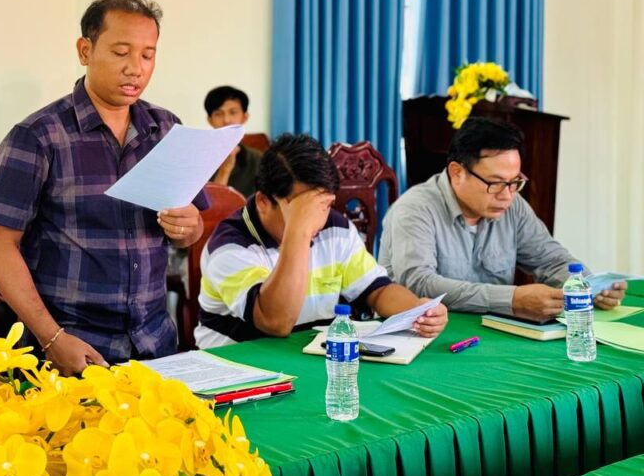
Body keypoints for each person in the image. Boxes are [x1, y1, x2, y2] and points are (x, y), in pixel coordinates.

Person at [0, 0, 208, 374]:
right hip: (71, 348)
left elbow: (192, 229)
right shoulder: (38, 137)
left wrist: (189, 226)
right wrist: (52, 338)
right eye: (121, 52)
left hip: (155, 347)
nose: (136, 68)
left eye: (148, 55)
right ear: (85, 50)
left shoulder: (166, 129)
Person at [195, 133, 448, 349]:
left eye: (324, 205)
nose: (317, 220)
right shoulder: (229, 245)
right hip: (238, 371)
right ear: (263, 201)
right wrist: (299, 232)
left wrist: (417, 310)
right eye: (303, 210)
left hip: (309, 361)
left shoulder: (335, 227)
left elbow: (377, 290)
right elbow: (275, 322)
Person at [378, 117, 626, 321]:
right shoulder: (414, 209)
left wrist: (588, 287)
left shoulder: (513, 205)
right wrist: (512, 299)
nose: (507, 195)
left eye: (514, 182)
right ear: (457, 172)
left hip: (492, 334)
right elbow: (419, 284)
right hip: (422, 336)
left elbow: (551, 261)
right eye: (495, 183)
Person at [204, 85, 262, 197]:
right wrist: (224, 170)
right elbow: (211, 206)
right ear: (210, 120)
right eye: (218, 114)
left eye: (233, 112)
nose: (226, 120)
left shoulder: (258, 159)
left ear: (244, 117)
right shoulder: (196, 158)